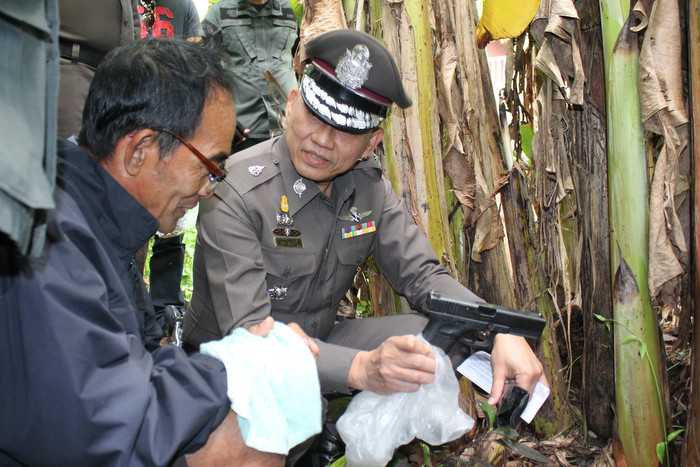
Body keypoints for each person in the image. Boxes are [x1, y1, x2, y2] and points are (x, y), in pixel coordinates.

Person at [184, 29, 544, 402]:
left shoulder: (366, 187)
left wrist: (497, 328)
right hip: (231, 364)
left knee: (427, 343)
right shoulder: (236, 191)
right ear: (291, 104)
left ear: (371, 143)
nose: (322, 140)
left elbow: (422, 275)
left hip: (319, 345)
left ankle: (332, 430)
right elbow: (250, 335)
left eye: (345, 130)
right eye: (314, 116)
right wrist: (361, 369)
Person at [0, 39, 282, 467]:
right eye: (210, 167)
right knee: (248, 448)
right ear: (139, 151)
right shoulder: (51, 239)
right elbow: (101, 430)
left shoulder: (97, 213)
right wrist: (239, 363)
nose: (210, 188)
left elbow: (144, 359)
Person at [202, 0, 299, 151]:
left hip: (287, 125)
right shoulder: (219, 13)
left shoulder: (287, 11)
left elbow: (289, 59)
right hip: (243, 128)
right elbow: (203, 70)